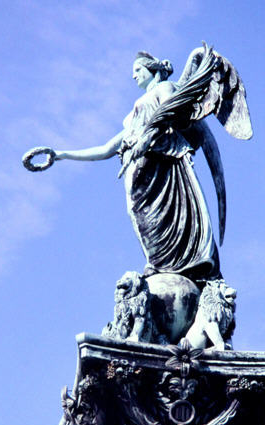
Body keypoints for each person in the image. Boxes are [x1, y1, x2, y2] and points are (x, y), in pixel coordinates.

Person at [54, 52, 221, 281]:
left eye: (138, 70)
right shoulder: (133, 119)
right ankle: (157, 262)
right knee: (141, 218)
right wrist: (61, 154)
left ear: (153, 70)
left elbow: (171, 114)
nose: (133, 75)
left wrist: (148, 137)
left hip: (161, 166)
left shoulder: (165, 89)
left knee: (166, 218)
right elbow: (105, 149)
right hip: (138, 175)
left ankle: (176, 264)